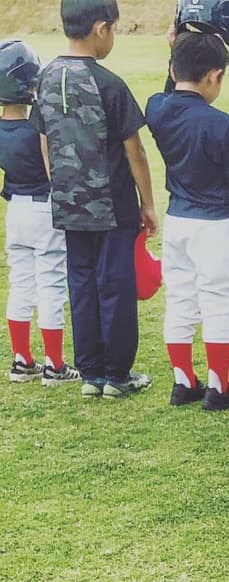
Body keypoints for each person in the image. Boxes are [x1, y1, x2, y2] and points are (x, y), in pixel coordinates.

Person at [32, 0, 158, 399]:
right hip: (112, 203)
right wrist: (148, 203)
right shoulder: (109, 83)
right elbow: (134, 149)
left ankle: (90, 373)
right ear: (101, 28)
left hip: (68, 203)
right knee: (115, 285)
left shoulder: (46, 77)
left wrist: (60, 186)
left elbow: (45, 140)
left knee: (81, 283)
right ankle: (117, 374)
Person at [146, 31, 229, 411]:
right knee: (216, 304)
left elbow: (169, 89)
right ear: (214, 76)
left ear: (172, 69)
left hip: (177, 219)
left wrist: (175, 51)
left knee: (180, 300)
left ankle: (184, 381)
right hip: (215, 224)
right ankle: (218, 386)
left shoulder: (157, 109)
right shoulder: (218, 122)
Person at [0, 39, 78, 386]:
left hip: (14, 212)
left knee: (21, 284)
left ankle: (21, 360)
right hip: (43, 210)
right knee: (50, 284)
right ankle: (55, 365)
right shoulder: (38, 129)